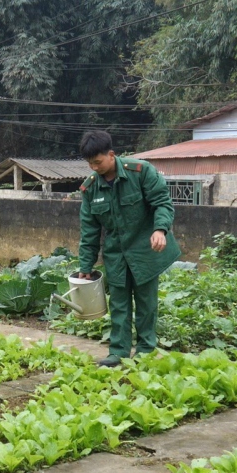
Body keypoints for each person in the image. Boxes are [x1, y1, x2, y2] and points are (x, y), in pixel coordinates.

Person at [75, 130, 181, 366]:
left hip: (146, 249)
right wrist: (85, 265)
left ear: (111, 155)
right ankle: (118, 352)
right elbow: (89, 230)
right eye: (90, 164)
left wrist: (160, 229)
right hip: (116, 254)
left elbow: (162, 202)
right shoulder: (90, 189)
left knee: (146, 303)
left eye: (98, 162)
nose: (94, 168)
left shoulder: (141, 172)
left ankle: (145, 351)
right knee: (119, 304)